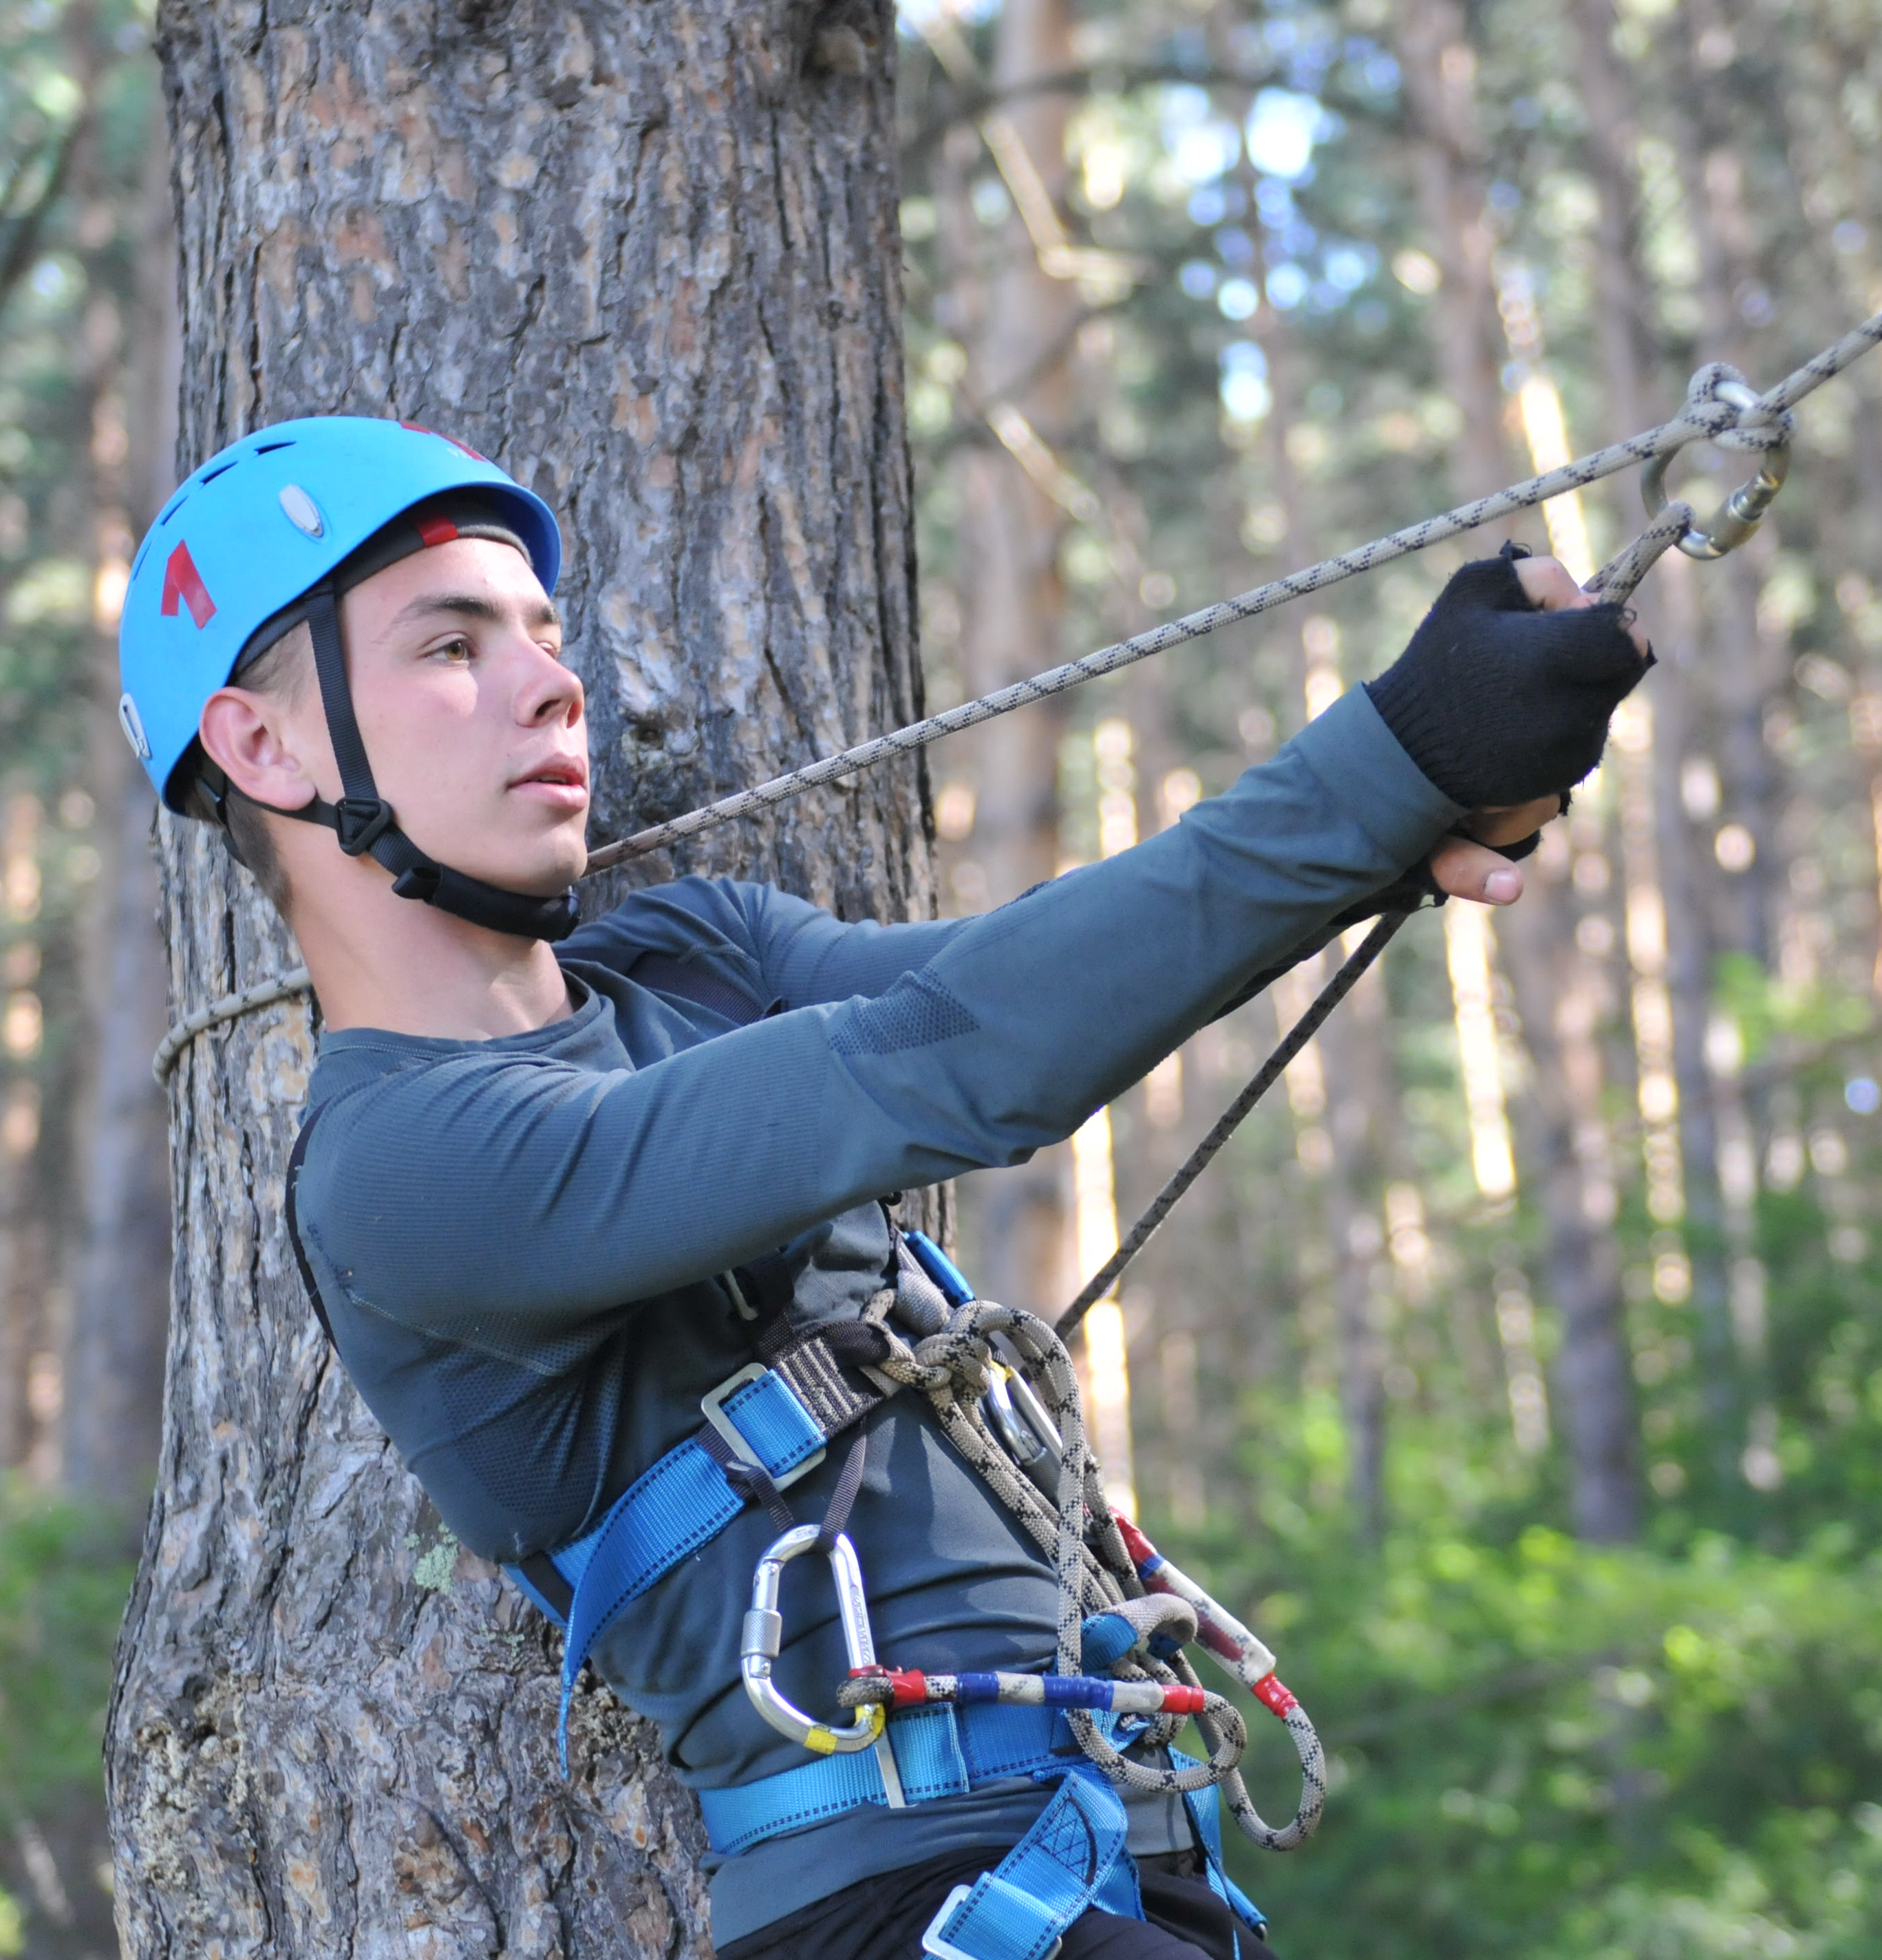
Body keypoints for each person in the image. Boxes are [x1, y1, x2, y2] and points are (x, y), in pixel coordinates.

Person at [116, 416, 1651, 1959]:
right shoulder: (400, 1172)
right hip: (897, 1913)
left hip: (1117, 1871)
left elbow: (1010, 973)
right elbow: (953, 1053)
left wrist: (1406, 820)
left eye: (541, 630)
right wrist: (1395, 759)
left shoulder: (692, 956)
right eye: (449, 646)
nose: (549, 681)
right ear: (264, 748)